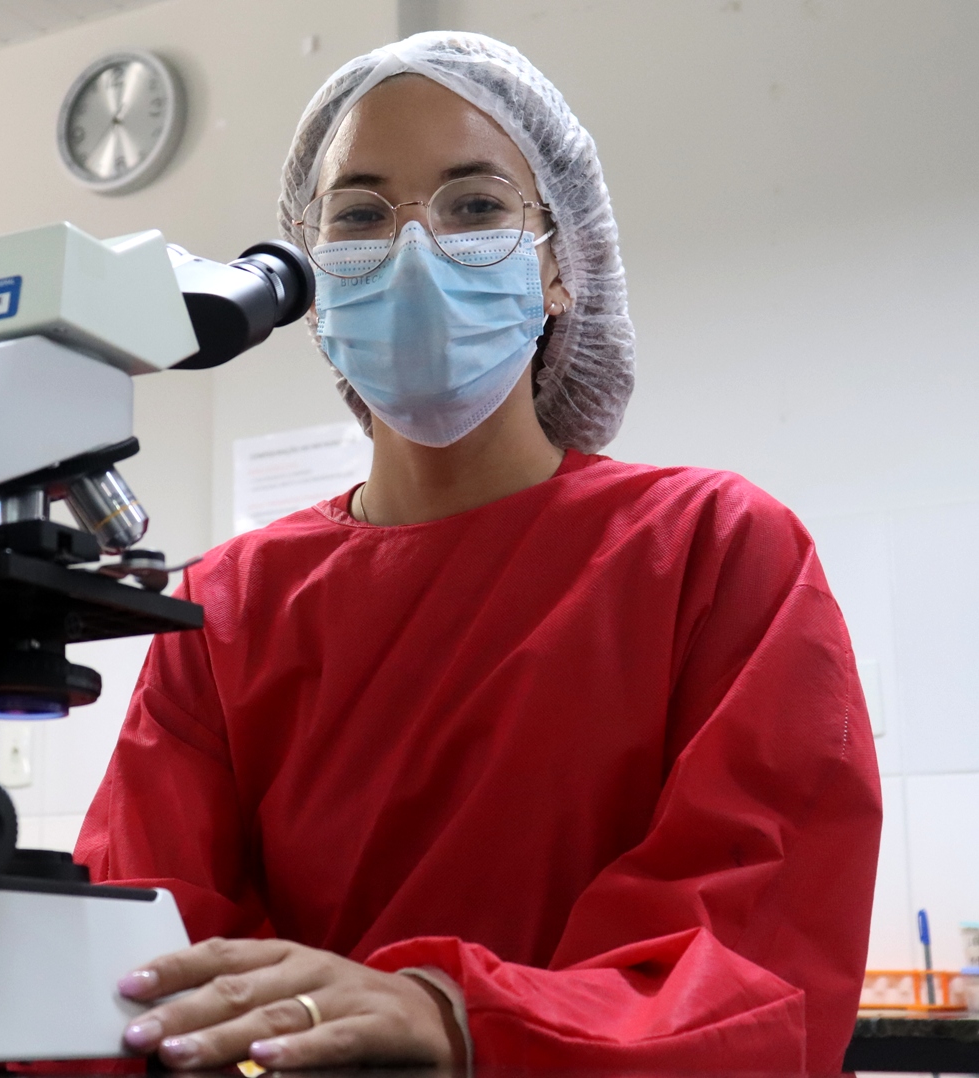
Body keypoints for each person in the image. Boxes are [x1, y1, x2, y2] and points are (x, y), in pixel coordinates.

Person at [75, 31, 880, 1073]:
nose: (415, 249)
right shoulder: (225, 608)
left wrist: (458, 1017)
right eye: (360, 215)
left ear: (559, 267)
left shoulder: (714, 553)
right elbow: (142, 960)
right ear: (314, 287)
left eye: (476, 205)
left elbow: (749, 961)